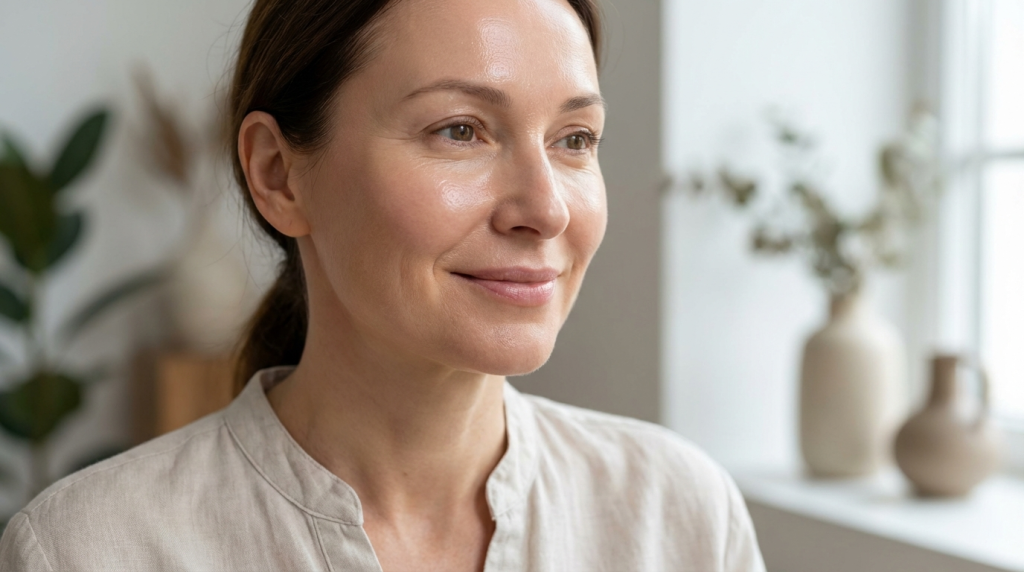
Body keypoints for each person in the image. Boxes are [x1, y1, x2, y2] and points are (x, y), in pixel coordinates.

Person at [0, 0, 765, 570]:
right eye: (459, 130)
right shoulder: (87, 550)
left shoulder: (678, 519)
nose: (545, 208)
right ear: (278, 174)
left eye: (574, 139)